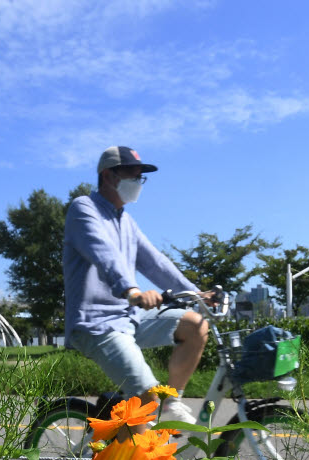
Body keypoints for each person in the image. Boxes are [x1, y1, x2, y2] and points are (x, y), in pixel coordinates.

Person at [63, 145, 213, 428]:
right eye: (133, 176)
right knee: (146, 398)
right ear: (108, 176)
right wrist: (131, 290)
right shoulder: (83, 208)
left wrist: (197, 294)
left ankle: (171, 403)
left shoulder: (126, 221)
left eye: (140, 178)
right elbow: (103, 253)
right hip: (96, 323)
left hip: (127, 318)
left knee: (196, 325)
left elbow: (155, 262)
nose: (138, 183)